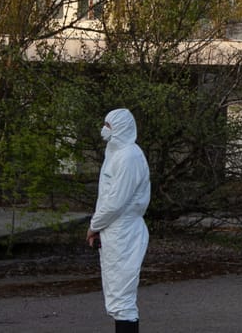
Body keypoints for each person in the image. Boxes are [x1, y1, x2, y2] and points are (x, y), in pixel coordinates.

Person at [87, 108, 151, 333]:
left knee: (122, 300)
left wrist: (94, 225)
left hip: (124, 232)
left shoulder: (128, 157)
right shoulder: (117, 154)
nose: (104, 129)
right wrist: (100, 228)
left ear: (121, 127)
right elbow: (108, 197)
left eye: (109, 125)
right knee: (116, 297)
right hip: (115, 231)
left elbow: (115, 202)